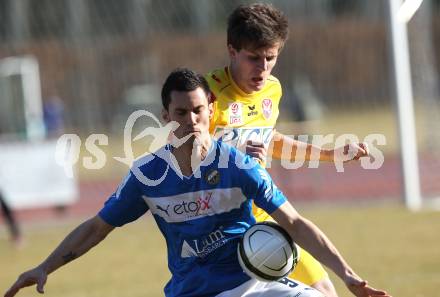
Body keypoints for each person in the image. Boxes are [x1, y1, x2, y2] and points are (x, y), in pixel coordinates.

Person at [4, 68, 389, 297]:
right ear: (166, 116)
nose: (191, 120)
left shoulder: (238, 166)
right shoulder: (148, 176)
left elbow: (296, 223)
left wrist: (350, 276)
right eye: (181, 111)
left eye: (199, 110)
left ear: (210, 110)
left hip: (254, 285)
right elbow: (96, 228)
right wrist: (45, 266)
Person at [206, 3, 368, 297]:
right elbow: (186, 162)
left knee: (324, 290)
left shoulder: (272, 89)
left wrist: (331, 154)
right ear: (232, 50)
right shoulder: (207, 95)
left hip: (262, 215)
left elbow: (271, 141)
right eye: (253, 58)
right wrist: (234, 162)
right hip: (219, 226)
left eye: (271, 58)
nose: (263, 68)